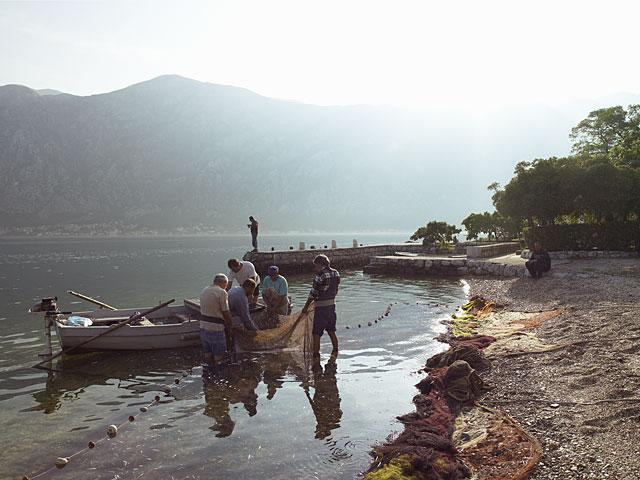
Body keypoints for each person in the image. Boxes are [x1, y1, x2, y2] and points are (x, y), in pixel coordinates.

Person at [301, 254, 340, 362]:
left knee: (316, 333)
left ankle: (316, 355)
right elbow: (336, 289)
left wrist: (305, 307)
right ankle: (335, 350)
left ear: (321, 265)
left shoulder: (321, 275)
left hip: (321, 308)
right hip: (332, 306)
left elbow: (313, 293)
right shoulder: (336, 273)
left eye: (316, 266)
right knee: (332, 330)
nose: (315, 268)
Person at [199, 274, 232, 368]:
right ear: (223, 283)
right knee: (219, 357)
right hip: (216, 328)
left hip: (203, 327)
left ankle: (208, 375)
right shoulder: (221, 292)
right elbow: (225, 311)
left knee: (208, 354)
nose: (226, 288)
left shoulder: (205, 290)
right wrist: (230, 325)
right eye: (226, 285)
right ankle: (219, 377)